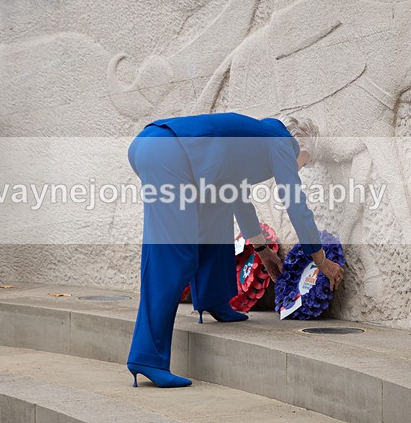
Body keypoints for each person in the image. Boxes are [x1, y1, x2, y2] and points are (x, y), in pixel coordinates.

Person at [126, 113, 343, 387]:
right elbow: (295, 203)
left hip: (158, 147)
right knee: (173, 256)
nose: (300, 169)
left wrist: (263, 250)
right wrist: (321, 259)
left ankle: (213, 299)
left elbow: (237, 197)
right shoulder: (281, 143)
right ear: (300, 146)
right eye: (305, 163)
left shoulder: (257, 139)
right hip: (167, 154)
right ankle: (147, 357)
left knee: (217, 212)